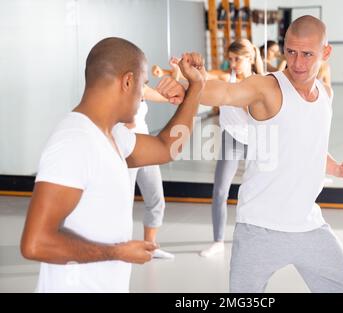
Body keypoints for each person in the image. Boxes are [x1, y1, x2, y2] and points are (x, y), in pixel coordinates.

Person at [180, 15, 343, 293]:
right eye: (291, 52)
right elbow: (227, 93)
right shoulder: (267, 86)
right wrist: (193, 85)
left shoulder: (326, 94)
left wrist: (336, 169)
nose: (298, 63)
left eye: (307, 54)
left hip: (308, 226)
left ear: (325, 52)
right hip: (258, 228)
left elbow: (307, 146)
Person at [20, 37, 205, 292]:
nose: (143, 97)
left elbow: (167, 148)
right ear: (128, 82)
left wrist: (196, 87)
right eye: (143, 86)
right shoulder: (74, 141)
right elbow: (35, 243)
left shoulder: (112, 135)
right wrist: (118, 252)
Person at [199, 39, 264, 257]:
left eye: (237, 59)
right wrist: (184, 69)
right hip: (232, 140)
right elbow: (207, 75)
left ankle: (259, 238)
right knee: (220, 191)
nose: (233, 63)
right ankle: (218, 241)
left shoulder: (259, 82)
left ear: (250, 59)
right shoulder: (228, 78)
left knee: (256, 192)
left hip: (256, 141)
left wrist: (248, 104)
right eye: (230, 59)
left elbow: (263, 116)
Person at [124, 86, 176, 260]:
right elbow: (126, 122)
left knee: (156, 199)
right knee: (124, 202)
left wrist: (175, 79)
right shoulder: (117, 89)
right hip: (127, 149)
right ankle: (122, 247)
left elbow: (164, 96)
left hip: (145, 147)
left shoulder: (141, 87)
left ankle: (150, 247)